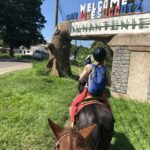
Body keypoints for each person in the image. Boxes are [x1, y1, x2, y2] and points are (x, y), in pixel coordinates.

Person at [70, 47, 111, 128]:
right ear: (104, 58)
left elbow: (81, 79)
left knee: (74, 103)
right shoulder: (106, 69)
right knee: (108, 106)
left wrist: (82, 79)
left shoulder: (89, 67)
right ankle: (111, 121)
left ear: (94, 57)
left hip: (88, 93)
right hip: (100, 94)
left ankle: (72, 124)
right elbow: (109, 84)